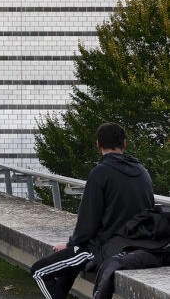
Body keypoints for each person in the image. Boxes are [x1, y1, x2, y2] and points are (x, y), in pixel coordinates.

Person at [30, 122, 154, 299]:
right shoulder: (142, 171)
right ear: (124, 143)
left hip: (105, 248)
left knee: (39, 271)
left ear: (98, 145)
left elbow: (87, 223)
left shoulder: (100, 172)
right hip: (137, 244)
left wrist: (71, 244)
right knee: (68, 267)